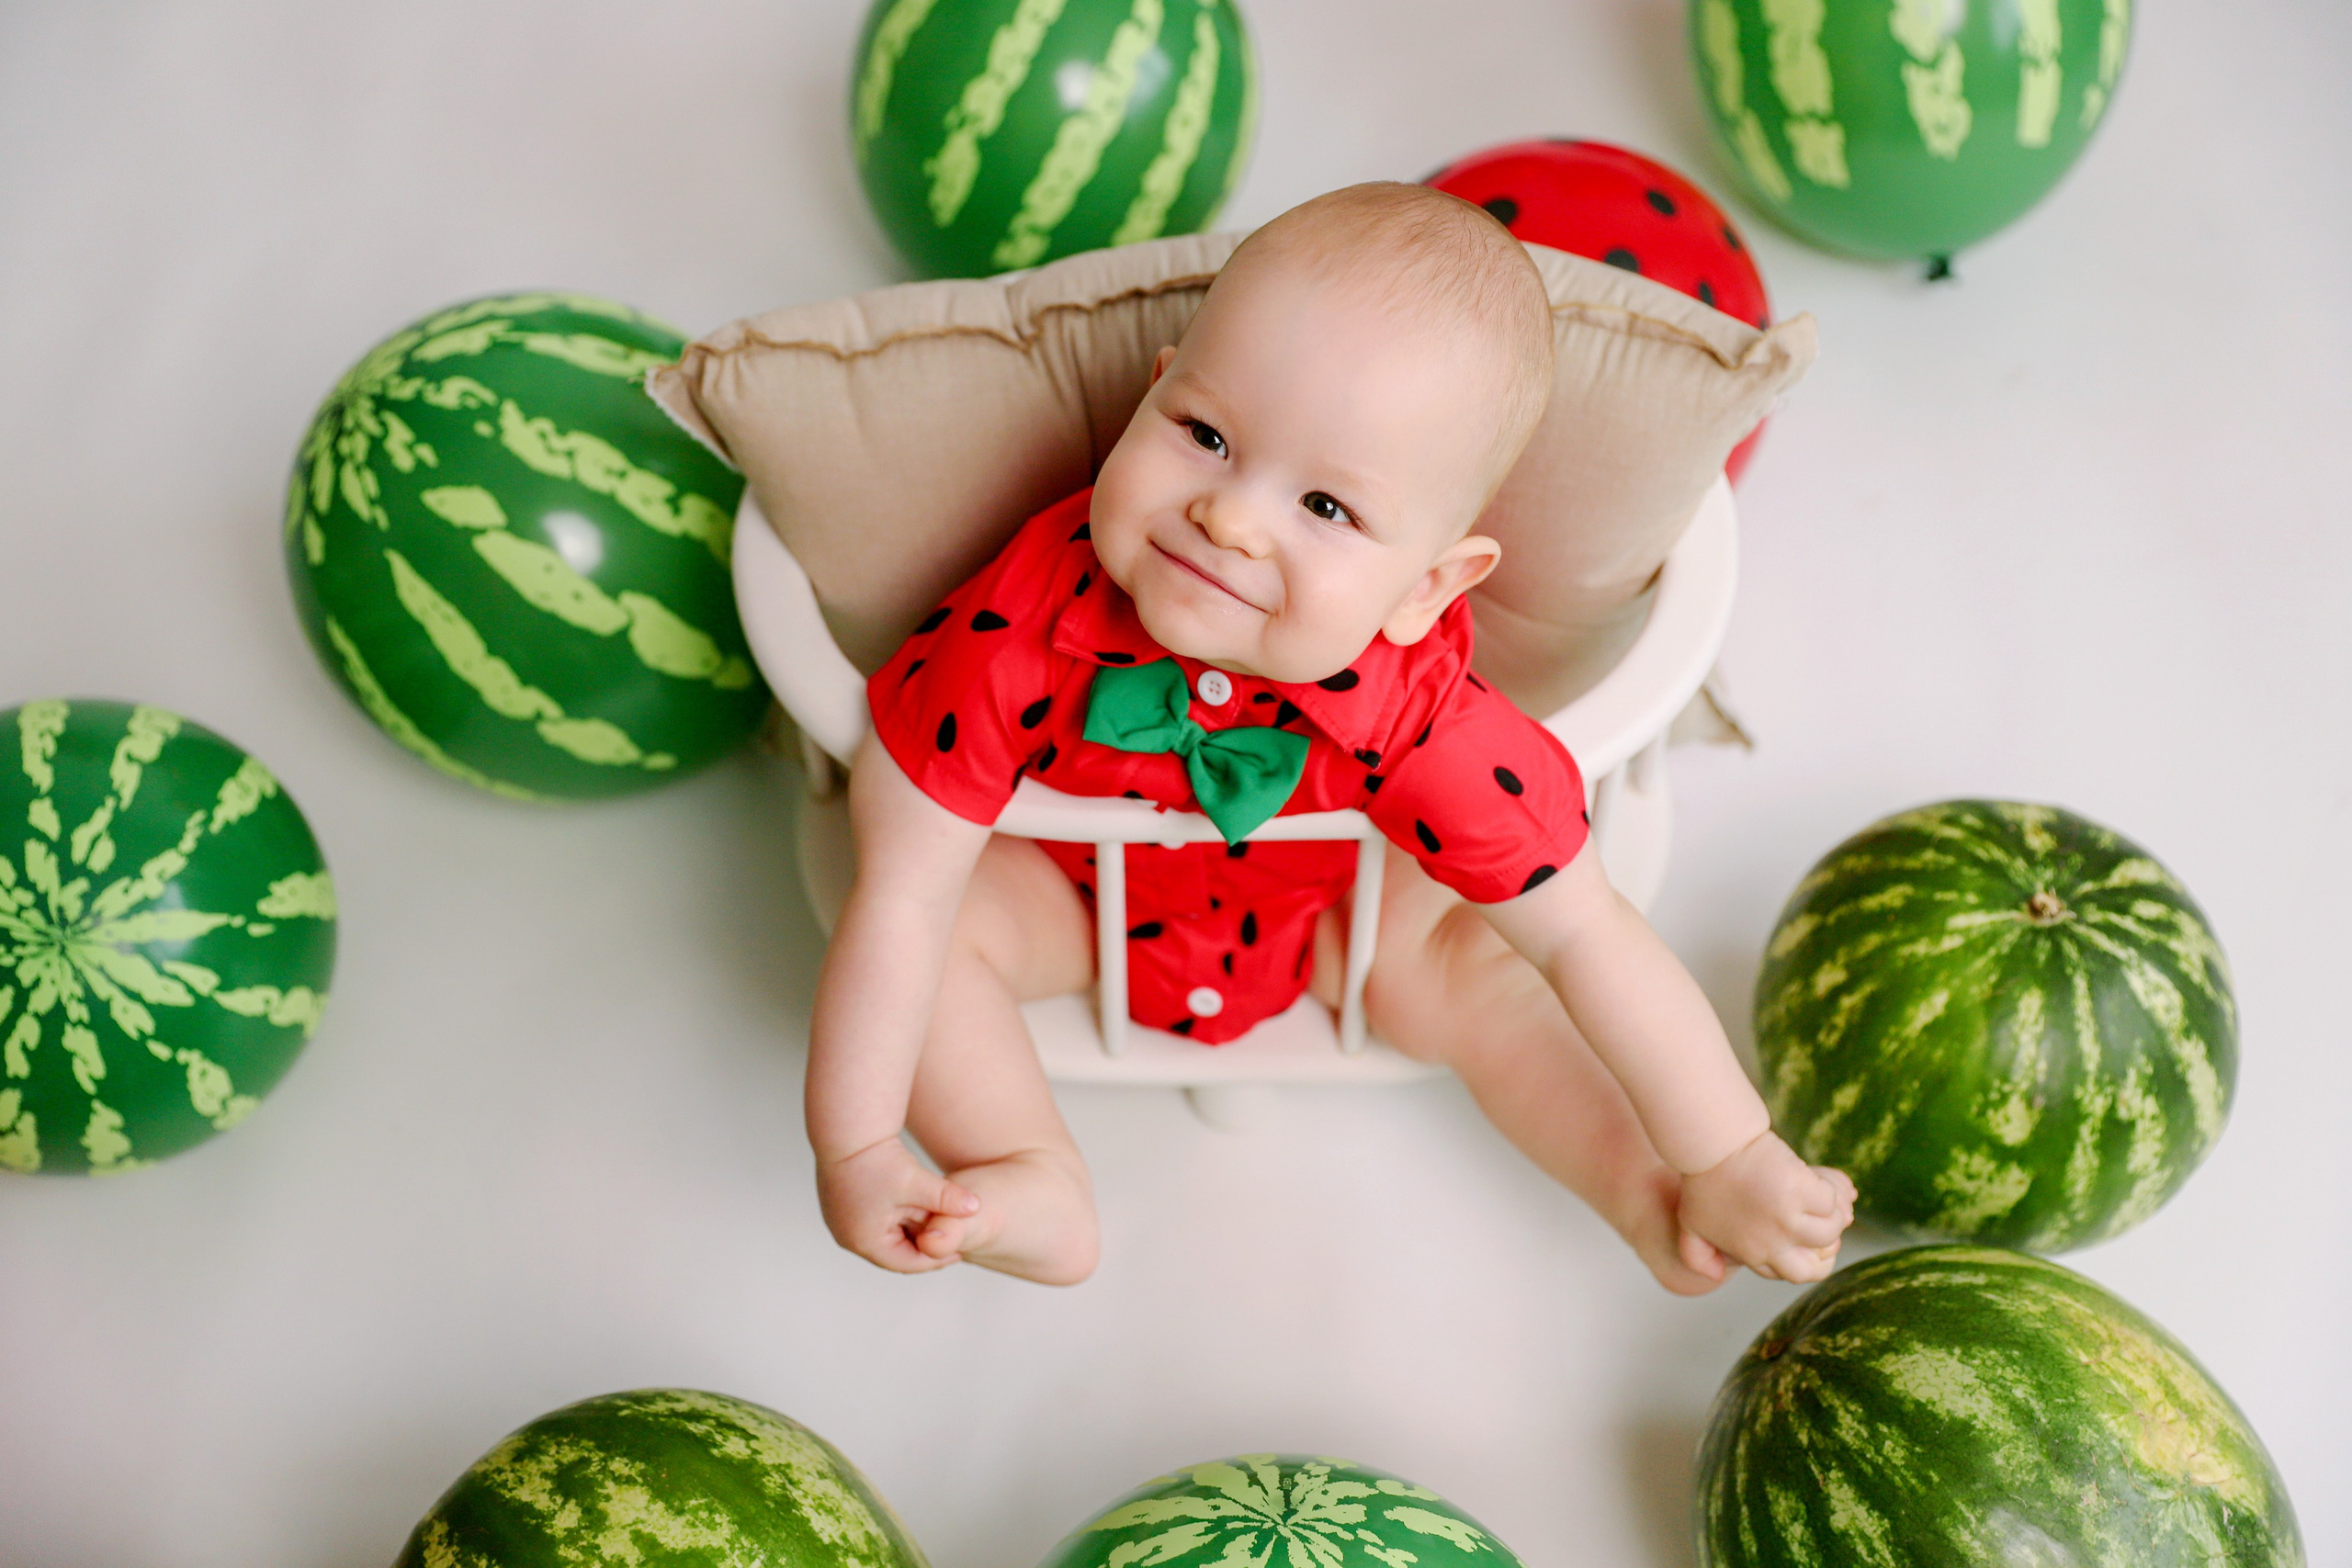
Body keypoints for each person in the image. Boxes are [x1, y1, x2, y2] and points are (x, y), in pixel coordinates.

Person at [808, 182, 1854, 1291]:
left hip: (1336, 923)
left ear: (1427, 588)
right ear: (1151, 394)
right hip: (1075, 903)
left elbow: (1584, 934)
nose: (1229, 517)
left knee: (1468, 973)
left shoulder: (1416, 707)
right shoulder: (1020, 622)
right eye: (1204, 435)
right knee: (940, 928)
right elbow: (904, 889)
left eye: (1326, 508)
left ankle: (1642, 1190)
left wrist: (1728, 1149)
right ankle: (1025, 1169)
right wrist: (855, 1148)